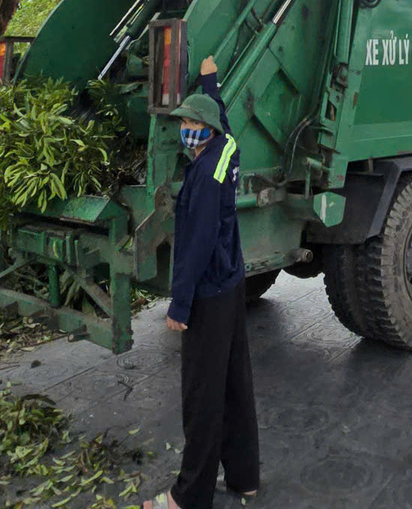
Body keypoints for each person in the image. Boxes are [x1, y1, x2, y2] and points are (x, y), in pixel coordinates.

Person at [145, 54, 259, 509]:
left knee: (202, 395)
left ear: (202, 130)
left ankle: (188, 497)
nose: (183, 128)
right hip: (231, 284)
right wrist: (210, 84)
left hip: (209, 293)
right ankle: (245, 476)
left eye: (190, 122)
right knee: (234, 383)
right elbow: (223, 118)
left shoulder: (207, 176)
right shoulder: (226, 147)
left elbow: (195, 244)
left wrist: (179, 304)